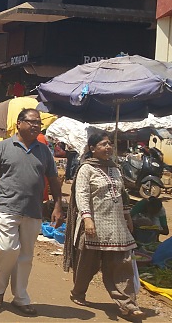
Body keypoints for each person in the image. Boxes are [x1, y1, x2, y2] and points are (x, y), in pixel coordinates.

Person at [0, 108, 63, 317]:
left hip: (33, 210)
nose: (36, 126)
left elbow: (53, 179)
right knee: (7, 249)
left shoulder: (44, 151)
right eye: (32, 122)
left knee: (25, 256)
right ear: (19, 123)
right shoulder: (3, 147)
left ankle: (20, 298)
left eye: (38, 123)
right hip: (7, 207)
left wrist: (58, 205)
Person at [63, 132, 143, 319]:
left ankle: (127, 303)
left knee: (121, 264)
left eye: (110, 144)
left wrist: (127, 216)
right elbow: (81, 195)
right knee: (87, 264)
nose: (108, 147)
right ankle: (78, 292)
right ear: (92, 148)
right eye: (103, 144)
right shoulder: (86, 169)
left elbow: (122, 194)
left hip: (116, 226)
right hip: (94, 225)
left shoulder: (115, 168)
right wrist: (87, 219)